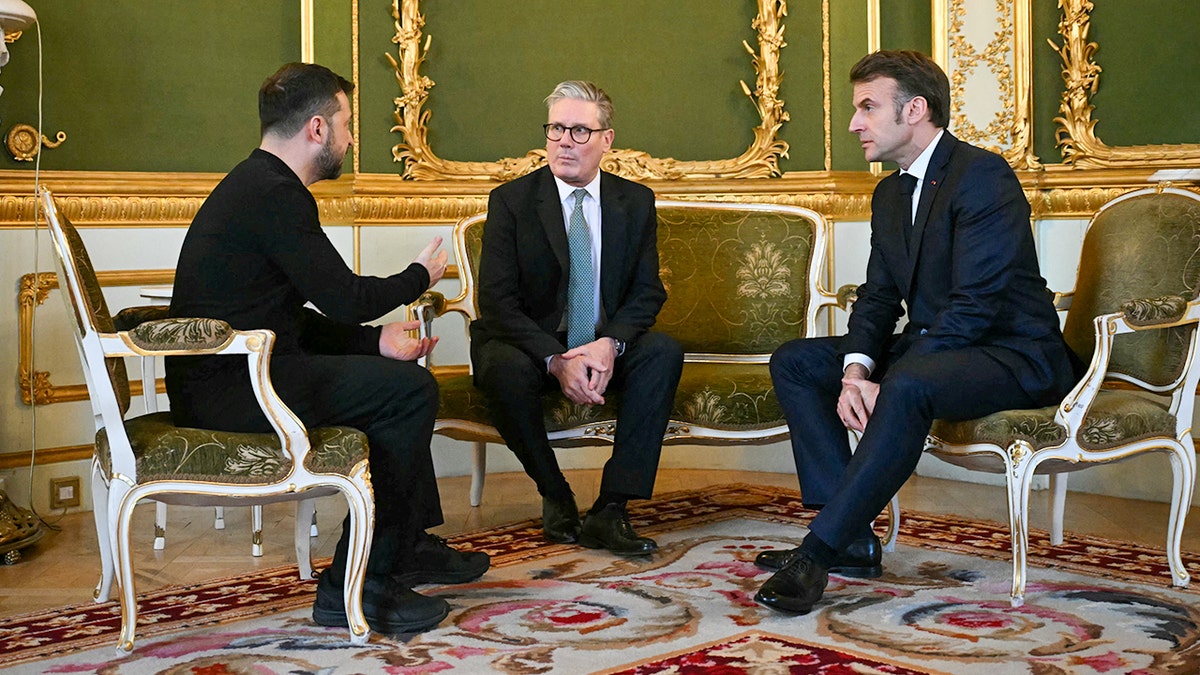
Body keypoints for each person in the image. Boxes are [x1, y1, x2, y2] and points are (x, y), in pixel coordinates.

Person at [165, 62, 489, 634]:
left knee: (397, 382)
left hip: (238, 374)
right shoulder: (274, 195)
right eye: (346, 124)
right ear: (316, 128)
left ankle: (405, 544)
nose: (349, 137)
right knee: (409, 394)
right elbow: (346, 298)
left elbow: (285, 319)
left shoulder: (258, 184)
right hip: (238, 391)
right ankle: (355, 584)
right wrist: (422, 273)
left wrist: (376, 343)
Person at [754, 50, 1079, 614]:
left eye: (867, 107)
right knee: (797, 361)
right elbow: (879, 297)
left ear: (915, 110)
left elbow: (976, 305)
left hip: (1013, 353)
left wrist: (893, 375)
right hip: (943, 348)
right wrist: (856, 370)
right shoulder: (889, 193)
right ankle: (851, 535)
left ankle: (818, 553)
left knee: (906, 384)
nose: (854, 123)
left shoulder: (982, 176)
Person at [471, 80, 684, 556]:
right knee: (498, 366)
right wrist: (555, 358)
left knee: (663, 352)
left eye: (580, 131)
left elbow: (648, 291)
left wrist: (610, 344)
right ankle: (555, 492)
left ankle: (612, 508)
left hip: (602, 340)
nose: (565, 141)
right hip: (530, 342)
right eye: (556, 129)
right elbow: (498, 301)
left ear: (607, 139)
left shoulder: (635, 202)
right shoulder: (512, 200)